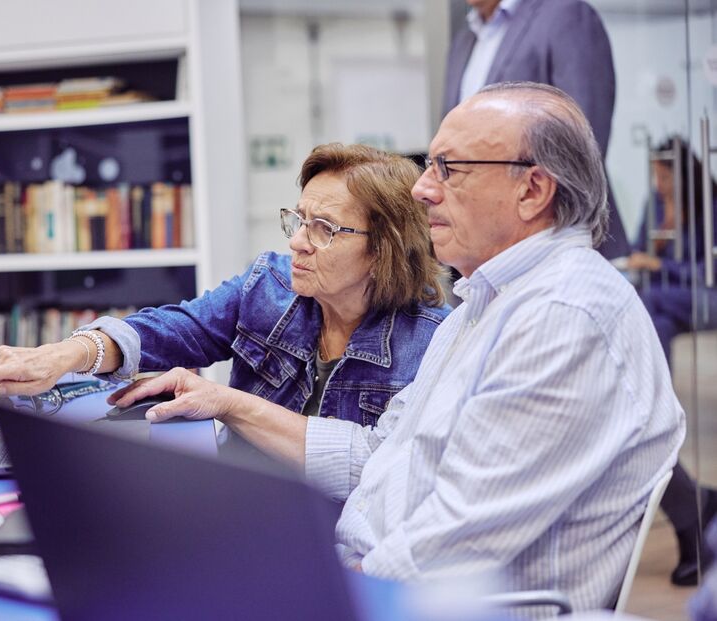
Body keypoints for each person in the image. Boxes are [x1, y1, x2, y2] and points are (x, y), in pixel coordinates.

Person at [113, 82, 685, 613]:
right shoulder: (488, 305)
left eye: (448, 168)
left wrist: (329, 589)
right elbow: (382, 455)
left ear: (532, 190)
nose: (421, 187)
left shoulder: (563, 317)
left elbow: (461, 534)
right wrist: (226, 402)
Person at [0, 143, 449, 427]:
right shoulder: (270, 285)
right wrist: (71, 354)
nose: (298, 242)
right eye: (298, 220)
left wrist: (227, 405)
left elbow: (385, 479)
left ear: (383, 249)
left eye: (323, 228)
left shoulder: (434, 343)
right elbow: (173, 329)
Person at [443, 0, 629, 259]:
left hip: (553, 244)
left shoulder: (565, 15)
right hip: (480, 245)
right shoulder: (465, 40)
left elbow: (582, 143)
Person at [627, 137, 717, 586]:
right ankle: (696, 507)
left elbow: (708, 273)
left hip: (700, 295)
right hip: (661, 298)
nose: (658, 183)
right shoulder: (655, 206)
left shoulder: (708, 207)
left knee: (651, 303)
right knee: (649, 307)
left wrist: (662, 268)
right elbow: (644, 248)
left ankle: (651, 384)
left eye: (664, 175)